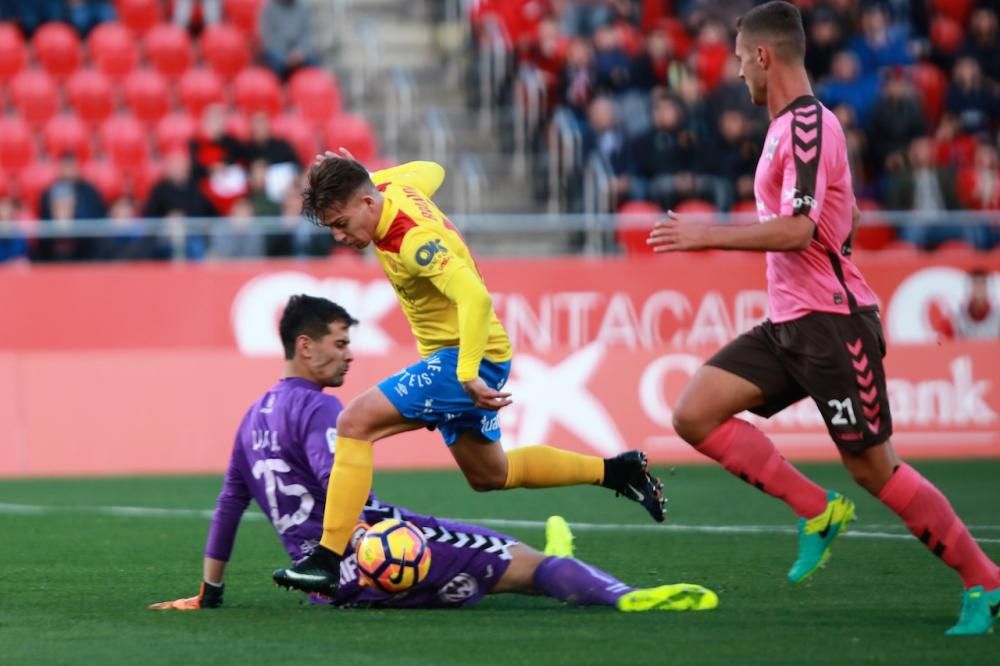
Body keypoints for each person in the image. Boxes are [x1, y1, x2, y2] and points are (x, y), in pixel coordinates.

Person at [646, 1, 1000, 636]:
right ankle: (816, 510)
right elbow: (842, 218)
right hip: (790, 322)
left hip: (833, 325)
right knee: (693, 412)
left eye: (739, 62)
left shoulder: (808, 125)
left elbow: (799, 228)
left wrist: (707, 234)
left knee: (874, 468)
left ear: (763, 56)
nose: (736, 77)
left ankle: (986, 581)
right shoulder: (788, 129)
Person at [149, 295, 716, 613]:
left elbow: (228, 506)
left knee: (501, 518)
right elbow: (349, 493)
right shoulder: (326, 413)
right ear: (306, 346)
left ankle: (572, 531)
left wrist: (210, 593)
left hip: (331, 591)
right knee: (533, 568)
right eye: (340, 344)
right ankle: (630, 598)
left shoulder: (252, 418)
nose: (349, 357)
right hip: (378, 555)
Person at [272, 152, 666, 597]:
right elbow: (433, 170)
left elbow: (475, 299)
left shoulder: (411, 241)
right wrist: (360, 175)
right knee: (489, 474)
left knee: (353, 424)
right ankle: (616, 471)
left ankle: (328, 557)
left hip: (465, 358)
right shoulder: (395, 191)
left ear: (366, 203)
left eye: (342, 223)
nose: (340, 236)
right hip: (474, 355)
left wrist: (465, 374)